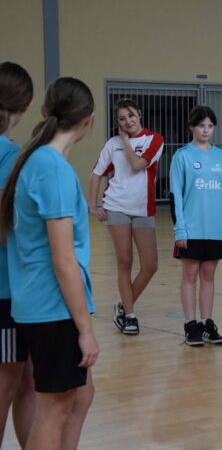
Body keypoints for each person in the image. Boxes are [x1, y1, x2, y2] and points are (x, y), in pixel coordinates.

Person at [0, 76, 99, 450]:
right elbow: (63, 260)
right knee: (53, 410)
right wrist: (85, 329)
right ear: (88, 120)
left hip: (39, 304)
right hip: (53, 308)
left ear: (44, 112)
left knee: (81, 394)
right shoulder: (52, 169)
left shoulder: (36, 159)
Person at [88, 98, 164, 335]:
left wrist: (125, 142)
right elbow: (97, 174)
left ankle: (123, 303)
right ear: (118, 122)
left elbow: (138, 165)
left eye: (131, 115)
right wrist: (93, 205)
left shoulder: (154, 139)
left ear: (139, 114)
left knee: (150, 265)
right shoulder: (112, 144)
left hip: (143, 209)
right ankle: (130, 315)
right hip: (117, 207)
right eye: (122, 119)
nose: (127, 121)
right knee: (125, 262)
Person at [170, 106, 222, 347]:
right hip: (191, 229)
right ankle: (191, 326)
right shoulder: (182, 156)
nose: (205, 130)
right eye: (201, 126)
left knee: (208, 275)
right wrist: (180, 230)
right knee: (190, 275)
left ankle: (207, 324)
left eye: (210, 126)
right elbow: (176, 197)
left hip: (215, 230)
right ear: (192, 127)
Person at [0, 61, 35, 448]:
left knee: (27, 380)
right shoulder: (9, 154)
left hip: (14, 295)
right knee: (6, 385)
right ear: (24, 105)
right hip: (6, 291)